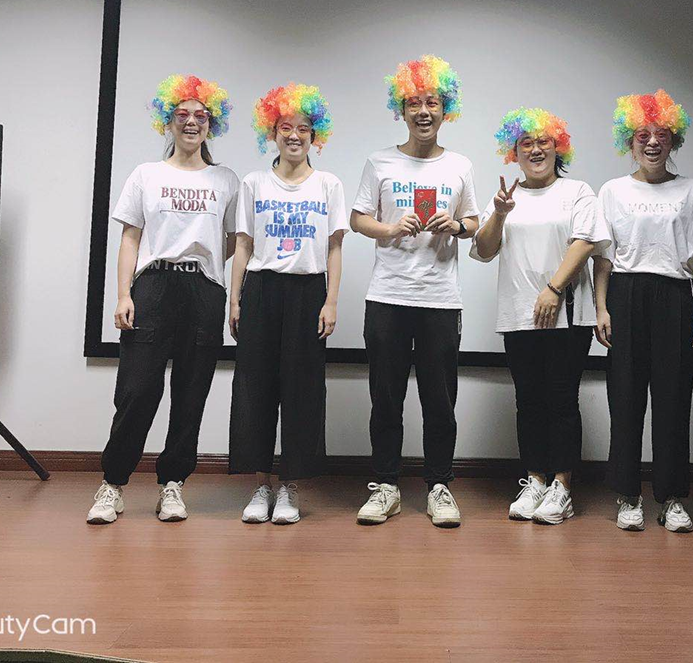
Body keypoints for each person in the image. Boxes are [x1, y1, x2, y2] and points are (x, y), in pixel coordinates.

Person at [87, 74, 239, 524]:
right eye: (182, 114)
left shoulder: (226, 180)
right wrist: (123, 294)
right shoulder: (146, 175)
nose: (191, 122)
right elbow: (130, 238)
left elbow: (234, 240)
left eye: (201, 116)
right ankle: (113, 484)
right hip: (152, 286)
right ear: (168, 122)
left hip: (204, 290)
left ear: (211, 124)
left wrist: (203, 260)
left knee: (191, 393)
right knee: (137, 390)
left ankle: (173, 484)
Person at [351, 54, 479, 528]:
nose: (423, 111)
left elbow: (474, 220)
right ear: (401, 110)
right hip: (387, 296)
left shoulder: (460, 166)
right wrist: (388, 228)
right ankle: (386, 486)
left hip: (440, 299)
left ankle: (439, 486)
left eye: (432, 103)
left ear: (446, 110)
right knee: (385, 398)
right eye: (413, 103)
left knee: (440, 400)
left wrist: (457, 225)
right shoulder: (379, 161)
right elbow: (357, 219)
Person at [594, 90, 693, 533]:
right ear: (628, 141)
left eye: (662, 135)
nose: (652, 142)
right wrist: (601, 308)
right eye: (642, 135)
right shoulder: (612, 191)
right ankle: (628, 495)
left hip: (674, 297)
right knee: (625, 398)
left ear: (674, 141)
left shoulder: (692, 190)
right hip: (625, 295)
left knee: (673, 400)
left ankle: (671, 498)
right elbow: (603, 258)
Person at [471, 108, 608, 524]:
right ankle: (534, 480)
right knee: (528, 400)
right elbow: (485, 250)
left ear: (557, 147)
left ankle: (562, 487)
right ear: (513, 152)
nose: (535, 150)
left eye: (543, 142)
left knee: (562, 399)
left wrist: (553, 289)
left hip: (567, 314)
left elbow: (585, 242)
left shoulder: (577, 191)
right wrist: (499, 213)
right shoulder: (506, 198)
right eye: (525, 143)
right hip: (519, 315)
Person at [229, 83, 347, 524]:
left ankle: (290, 487)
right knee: (255, 389)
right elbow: (243, 244)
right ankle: (261, 485)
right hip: (261, 289)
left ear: (315, 136)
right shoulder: (254, 182)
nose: (294, 135)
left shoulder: (328, 185)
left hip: (308, 292)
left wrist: (331, 301)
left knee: (302, 392)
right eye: (285, 127)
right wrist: (235, 300)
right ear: (272, 132)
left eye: (303, 128)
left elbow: (335, 247)